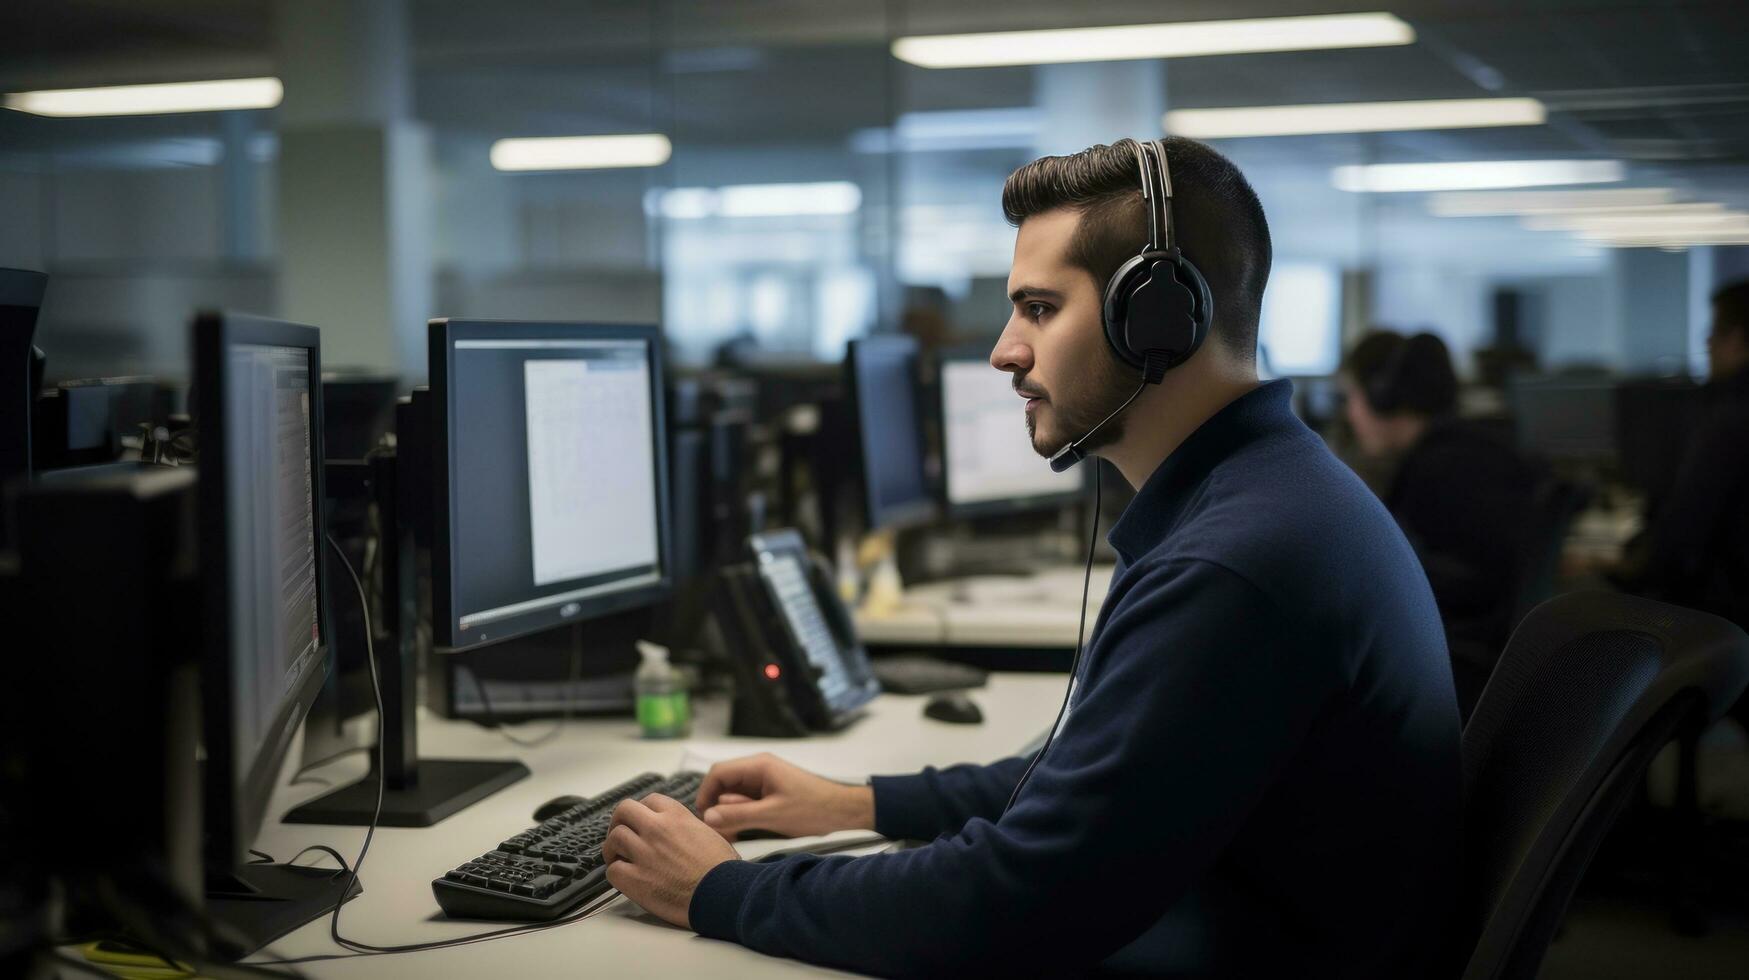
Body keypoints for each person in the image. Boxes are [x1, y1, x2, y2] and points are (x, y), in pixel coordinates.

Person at [597, 137, 1462, 976]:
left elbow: (1013, 903)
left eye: (1040, 309)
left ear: (1155, 318)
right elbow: (1093, 779)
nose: (1004, 349)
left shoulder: (1235, 563)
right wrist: (855, 804)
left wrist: (724, 891)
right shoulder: (1263, 495)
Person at [1340, 330, 1543, 711]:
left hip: (1452, 666)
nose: (1350, 412)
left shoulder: (1438, 470)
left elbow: (1455, 583)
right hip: (1489, 660)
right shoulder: (1480, 450)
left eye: (1351, 395)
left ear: (1383, 394)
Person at [1613, 278, 1749, 631]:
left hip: (1717, 625)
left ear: (1735, 341)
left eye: (1714, 333)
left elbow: (1677, 543)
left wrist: (1615, 567)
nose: (1706, 343)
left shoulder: (1726, 421)